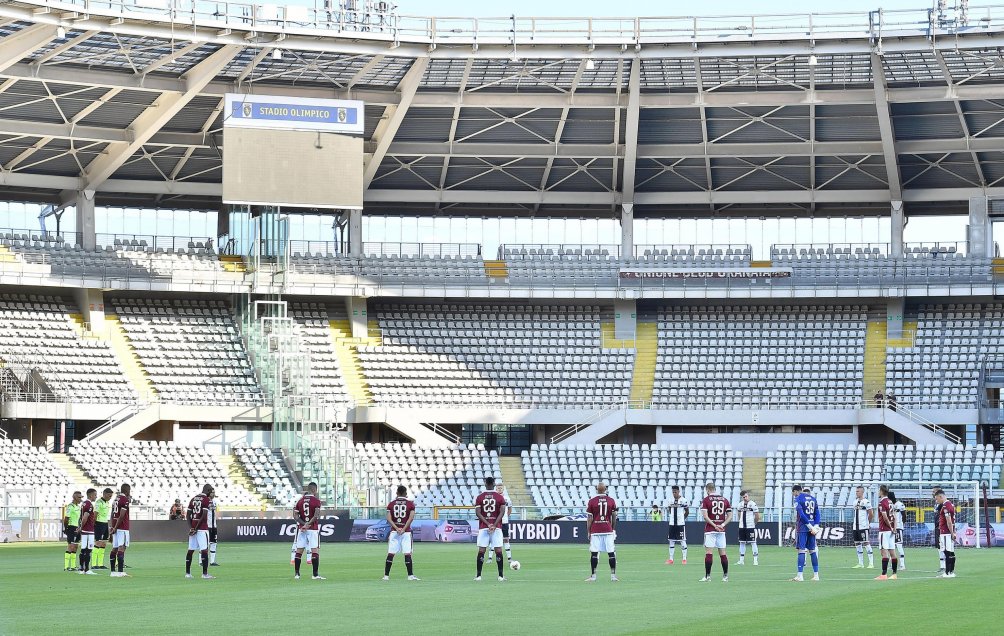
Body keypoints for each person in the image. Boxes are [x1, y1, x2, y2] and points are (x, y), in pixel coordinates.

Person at [473, 476, 507, 582]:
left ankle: (478, 576)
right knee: (498, 550)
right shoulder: (500, 497)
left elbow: (478, 513)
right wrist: (494, 525)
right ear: (494, 483)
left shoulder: (479, 497)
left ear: (485, 483)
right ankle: (501, 576)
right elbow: (502, 512)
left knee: (482, 550)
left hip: (484, 527)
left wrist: (488, 524)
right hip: (496, 528)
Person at [383, 485, 419, 581]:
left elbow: (388, 518)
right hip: (406, 532)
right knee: (407, 553)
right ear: (405, 493)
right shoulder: (410, 504)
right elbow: (411, 518)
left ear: (397, 493)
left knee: (391, 553)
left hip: (394, 532)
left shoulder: (391, 504)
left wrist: (396, 527)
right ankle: (410, 576)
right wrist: (403, 528)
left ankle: (386, 576)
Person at [585, 481, 618, 582]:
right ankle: (613, 576)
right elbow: (614, 516)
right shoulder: (611, 500)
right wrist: (612, 528)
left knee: (594, 553)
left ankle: (593, 576)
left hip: (596, 530)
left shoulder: (592, 501)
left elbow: (589, 517)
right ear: (606, 489)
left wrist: (589, 531)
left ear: (596, 490)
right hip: (608, 529)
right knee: (611, 553)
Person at [699, 483, 732, 582]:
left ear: (708, 490)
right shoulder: (724, 500)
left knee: (709, 552)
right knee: (723, 553)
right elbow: (730, 516)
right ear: (715, 489)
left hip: (710, 530)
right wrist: (721, 525)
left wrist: (714, 526)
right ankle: (725, 576)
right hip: (721, 531)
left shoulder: (706, 500)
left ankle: (707, 576)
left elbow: (705, 516)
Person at [292, 482, 324, 580]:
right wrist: (308, 524)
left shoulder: (299, 501)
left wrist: (303, 524)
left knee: (299, 551)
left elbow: (295, 516)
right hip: (312, 529)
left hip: (302, 529)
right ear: (314, 490)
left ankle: (297, 574)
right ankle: (315, 575)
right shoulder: (316, 501)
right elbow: (316, 515)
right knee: (315, 550)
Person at [790, 485, 821, 582]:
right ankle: (816, 575)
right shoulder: (813, 498)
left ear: (795, 491)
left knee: (801, 550)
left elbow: (801, 513)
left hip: (803, 527)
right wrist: (815, 525)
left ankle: (800, 576)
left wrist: (809, 526)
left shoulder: (798, 499)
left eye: (793, 493)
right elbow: (817, 513)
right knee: (812, 551)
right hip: (812, 528)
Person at [185, 484, 215, 580]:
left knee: (191, 550)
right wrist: (197, 528)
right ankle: (205, 574)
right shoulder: (206, 499)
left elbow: (188, 514)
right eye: (212, 492)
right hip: (201, 528)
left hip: (193, 528)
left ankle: (187, 573)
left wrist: (191, 528)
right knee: (204, 550)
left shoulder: (193, 499)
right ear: (208, 491)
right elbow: (204, 515)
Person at [875, 484, 898, 581]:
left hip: (885, 530)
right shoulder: (890, 502)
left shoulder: (882, 502)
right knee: (892, 552)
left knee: (884, 552)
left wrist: (890, 527)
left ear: (881, 491)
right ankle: (894, 574)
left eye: (878, 490)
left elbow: (884, 517)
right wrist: (894, 528)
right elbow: (895, 517)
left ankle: (884, 574)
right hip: (891, 531)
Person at [108, 484, 132, 577]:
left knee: (115, 547)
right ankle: (121, 572)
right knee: (122, 547)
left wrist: (112, 527)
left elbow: (112, 514)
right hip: (122, 527)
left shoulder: (116, 499)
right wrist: (116, 527)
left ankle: (113, 572)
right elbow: (121, 516)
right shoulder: (124, 500)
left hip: (115, 527)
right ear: (127, 491)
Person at [934, 489, 957, 578]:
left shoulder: (945, 506)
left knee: (947, 552)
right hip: (948, 532)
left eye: (937, 499)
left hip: (945, 532)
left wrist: (952, 533)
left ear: (941, 496)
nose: (937, 501)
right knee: (951, 552)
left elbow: (949, 521)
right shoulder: (951, 504)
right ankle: (951, 572)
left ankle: (947, 573)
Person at [665, 485, 689, 565]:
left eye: (675, 492)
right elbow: (669, 510)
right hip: (672, 524)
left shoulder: (684, 500)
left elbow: (687, 511)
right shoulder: (670, 500)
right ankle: (671, 559)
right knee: (671, 541)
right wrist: (672, 517)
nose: (674, 493)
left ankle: (684, 559)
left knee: (682, 540)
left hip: (680, 524)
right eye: (673, 492)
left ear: (679, 492)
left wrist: (682, 518)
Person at [851, 486, 875, 569]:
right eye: (856, 491)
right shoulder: (855, 502)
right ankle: (860, 563)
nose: (856, 492)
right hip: (855, 526)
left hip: (863, 526)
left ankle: (871, 563)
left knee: (866, 543)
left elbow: (871, 514)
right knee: (857, 544)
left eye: (858, 491)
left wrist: (867, 523)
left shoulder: (866, 502)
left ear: (862, 492)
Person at [736, 490, 760, 566]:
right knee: (742, 542)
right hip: (742, 526)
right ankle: (741, 560)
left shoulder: (753, 504)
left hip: (750, 526)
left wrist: (754, 523)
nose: (745, 498)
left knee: (753, 542)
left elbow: (757, 515)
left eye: (746, 496)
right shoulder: (740, 505)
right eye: (743, 497)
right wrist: (740, 521)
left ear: (748, 496)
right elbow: (739, 513)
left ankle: (755, 560)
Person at [77, 489, 98, 575]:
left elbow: (81, 517)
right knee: (88, 550)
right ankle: (87, 569)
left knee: (83, 550)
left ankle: (81, 569)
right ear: (91, 495)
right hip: (88, 530)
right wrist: (81, 527)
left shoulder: (84, 503)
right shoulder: (89, 504)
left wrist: (80, 527)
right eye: (95, 495)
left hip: (85, 531)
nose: (96, 497)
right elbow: (85, 517)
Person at [92, 488, 113, 570]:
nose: (110, 497)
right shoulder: (98, 502)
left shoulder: (107, 502)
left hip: (105, 523)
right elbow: (95, 514)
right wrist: (94, 524)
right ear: (104, 494)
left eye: (111, 496)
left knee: (104, 544)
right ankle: (94, 564)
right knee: (97, 543)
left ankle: (100, 564)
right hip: (99, 523)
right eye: (109, 495)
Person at [62, 491, 82, 571]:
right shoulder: (70, 507)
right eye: (79, 497)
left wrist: (79, 527)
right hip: (71, 527)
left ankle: (73, 566)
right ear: (74, 498)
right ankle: (66, 566)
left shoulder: (78, 507)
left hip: (77, 528)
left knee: (76, 546)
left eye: (81, 497)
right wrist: (66, 528)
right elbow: (66, 519)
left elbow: (79, 519)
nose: (80, 499)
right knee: (70, 546)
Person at [496, 482, 515, 564]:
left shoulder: (507, 498)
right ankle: (490, 557)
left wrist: (506, 516)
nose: (499, 489)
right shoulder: (494, 498)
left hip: (504, 522)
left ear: (503, 489)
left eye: (501, 488)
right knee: (495, 540)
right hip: (496, 522)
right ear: (496, 489)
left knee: (506, 539)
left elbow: (510, 508)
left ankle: (509, 558)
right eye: (498, 488)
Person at [889, 491, 907, 570]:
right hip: (891, 528)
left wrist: (901, 524)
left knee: (899, 545)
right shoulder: (890, 505)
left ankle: (902, 565)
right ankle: (893, 565)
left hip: (898, 528)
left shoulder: (900, 504)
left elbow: (904, 515)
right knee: (891, 546)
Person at [932, 486, 946, 574]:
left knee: (943, 547)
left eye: (934, 491)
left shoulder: (943, 504)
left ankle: (945, 566)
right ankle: (942, 566)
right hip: (937, 528)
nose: (932, 493)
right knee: (938, 546)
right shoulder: (936, 504)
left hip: (942, 528)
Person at [208, 492, 220, 566]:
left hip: (214, 526)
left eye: (214, 492)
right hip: (207, 526)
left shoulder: (215, 501)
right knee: (205, 544)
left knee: (214, 543)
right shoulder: (205, 501)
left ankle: (212, 561)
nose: (214, 494)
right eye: (212, 492)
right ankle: (201, 561)